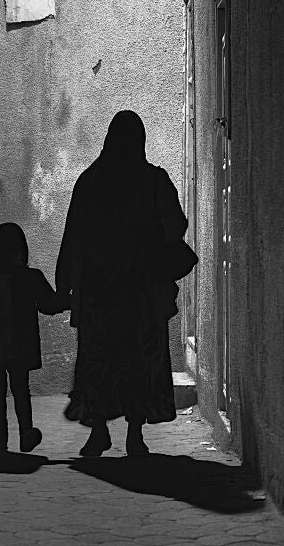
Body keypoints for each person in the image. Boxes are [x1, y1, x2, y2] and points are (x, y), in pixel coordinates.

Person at [56, 109, 196, 458]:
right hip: (137, 293)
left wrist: (66, 283)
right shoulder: (152, 181)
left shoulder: (91, 182)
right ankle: (133, 435)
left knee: (103, 360)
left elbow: (74, 236)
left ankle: (102, 432)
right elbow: (176, 225)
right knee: (135, 361)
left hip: (107, 292)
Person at [0, 222, 66, 454]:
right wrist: (68, 300)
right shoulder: (27, 277)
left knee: (2, 390)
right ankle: (16, 433)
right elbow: (48, 304)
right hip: (9, 345)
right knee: (12, 390)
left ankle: (6, 436)